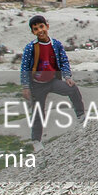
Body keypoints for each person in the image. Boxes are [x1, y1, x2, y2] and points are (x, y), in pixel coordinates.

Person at [19, 14, 84, 148]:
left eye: (41, 26)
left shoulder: (56, 45)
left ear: (47, 26)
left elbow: (64, 61)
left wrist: (67, 77)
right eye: (36, 29)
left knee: (72, 89)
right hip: (37, 85)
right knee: (38, 112)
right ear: (33, 32)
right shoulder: (30, 48)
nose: (40, 31)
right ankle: (36, 141)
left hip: (52, 81)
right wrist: (25, 87)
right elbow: (24, 68)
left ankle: (81, 117)